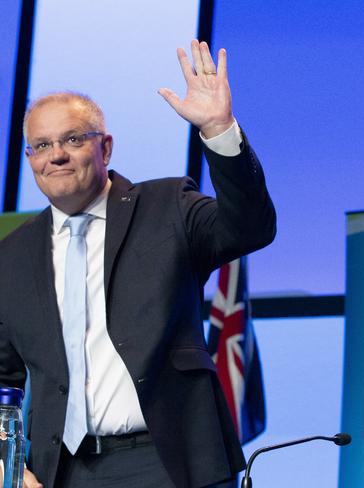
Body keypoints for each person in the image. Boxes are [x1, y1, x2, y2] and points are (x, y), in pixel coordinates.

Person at [0, 40, 275, 488]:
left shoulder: (167, 206)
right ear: (30, 158)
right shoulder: (11, 257)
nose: (56, 155)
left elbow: (251, 228)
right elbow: (2, 378)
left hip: (168, 463)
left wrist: (220, 131)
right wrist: (6, 463)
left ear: (105, 147)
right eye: (41, 145)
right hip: (62, 472)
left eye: (72, 139)